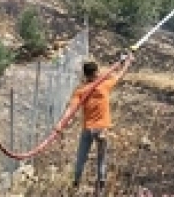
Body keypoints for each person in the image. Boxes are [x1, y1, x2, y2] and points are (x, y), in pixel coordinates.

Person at [54, 52, 135, 192]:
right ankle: (101, 186)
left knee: (81, 157)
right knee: (101, 159)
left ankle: (76, 182)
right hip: (102, 129)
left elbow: (70, 109)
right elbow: (119, 75)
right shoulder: (104, 86)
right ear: (96, 72)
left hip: (88, 129)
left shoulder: (80, 91)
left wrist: (60, 124)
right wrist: (127, 62)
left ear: (85, 75)